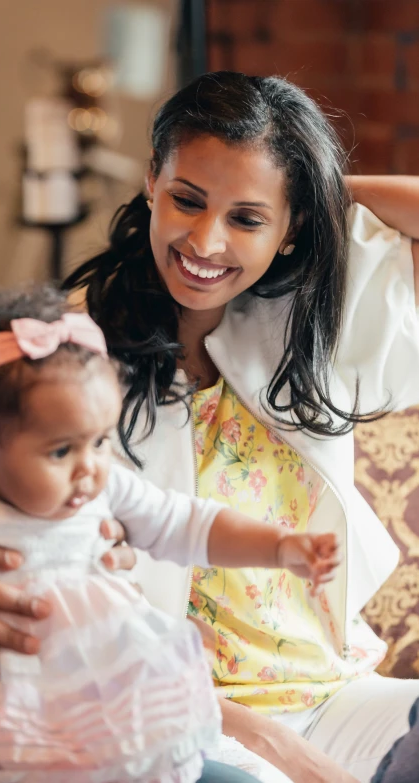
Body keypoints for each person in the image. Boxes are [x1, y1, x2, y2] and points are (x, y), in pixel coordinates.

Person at [58, 71, 419, 783]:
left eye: (247, 218)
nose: (205, 240)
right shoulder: (71, 357)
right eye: (187, 199)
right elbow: (79, 618)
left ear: (292, 230)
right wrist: (284, 753)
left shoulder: (309, 325)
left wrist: (320, 191)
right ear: (150, 181)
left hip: (336, 695)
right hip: (181, 719)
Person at [0, 284, 339, 783]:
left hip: (94, 712)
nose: (90, 468)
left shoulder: (102, 488)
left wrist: (278, 547)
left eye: (101, 441)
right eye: (61, 451)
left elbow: (186, 522)